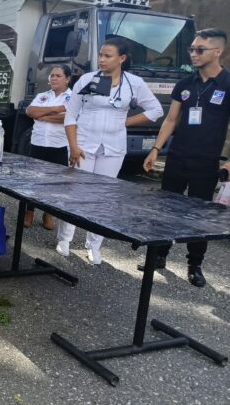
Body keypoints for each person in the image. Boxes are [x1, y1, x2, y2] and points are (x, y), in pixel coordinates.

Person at [59, 37, 163, 264]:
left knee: (103, 197)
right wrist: (74, 146)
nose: (102, 59)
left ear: (122, 59)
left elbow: (155, 110)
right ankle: (65, 239)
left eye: (108, 56)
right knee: (76, 192)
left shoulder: (133, 83)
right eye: (101, 55)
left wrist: (126, 122)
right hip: (84, 144)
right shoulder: (87, 79)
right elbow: (71, 114)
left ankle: (94, 245)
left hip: (114, 147)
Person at [141, 28, 230, 287]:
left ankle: (194, 264)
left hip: (206, 161)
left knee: (198, 215)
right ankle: (159, 256)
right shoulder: (185, 84)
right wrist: (156, 149)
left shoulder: (227, 84)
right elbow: (171, 120)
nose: (193, 54)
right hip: (178, 157)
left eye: (199, 49)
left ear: (217, 51)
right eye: (192, 49)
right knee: (167, 209)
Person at [23, 64, 72, 230]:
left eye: (58, 75)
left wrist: (43, 115)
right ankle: (29, 212)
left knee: (54, 183)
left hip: (58, 146)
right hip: (38, 144)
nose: (54, 78)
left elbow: (67, 119)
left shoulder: (73, 97)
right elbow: (30, 112)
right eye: (52, 75)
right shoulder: (43, 95)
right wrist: (55, 109)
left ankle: (48, 214)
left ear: (67, 79)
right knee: (33, 180)